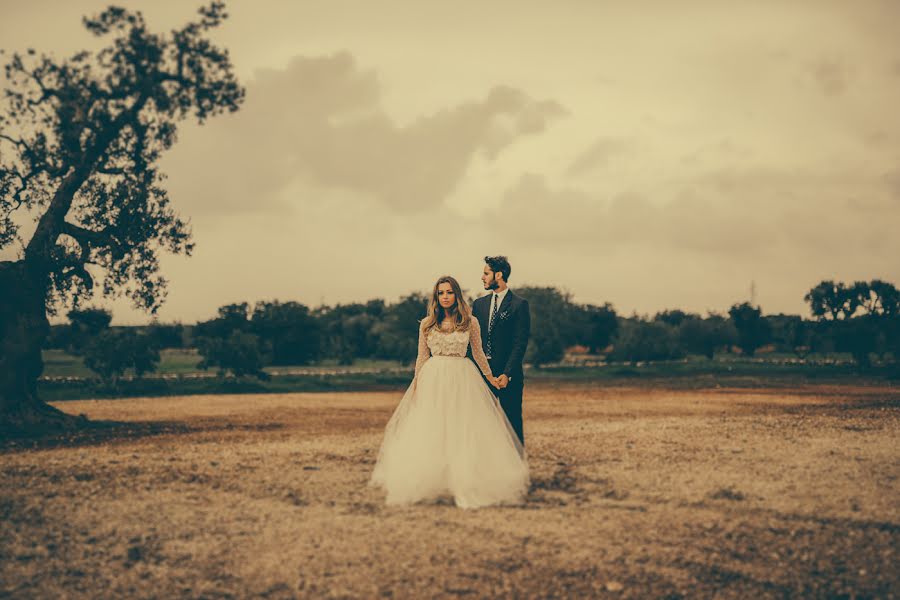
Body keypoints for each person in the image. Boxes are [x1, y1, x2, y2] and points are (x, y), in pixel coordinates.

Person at [369, 275, 529, 509]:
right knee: (433, 428)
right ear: (436, 297)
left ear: (457, 295)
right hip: (433, 378)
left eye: (449, 292)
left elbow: (479, 353)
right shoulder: (426, 323)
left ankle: (465, 481)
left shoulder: (470, 322)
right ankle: (433, 481)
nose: (445, 297)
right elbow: (422, 357)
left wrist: (491, 378)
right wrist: (415, 386)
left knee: (462, 428)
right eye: (441, 293)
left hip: (462, 378)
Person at [471, 256, 530, 445]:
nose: (482, 277)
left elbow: (519, 344)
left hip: (508, 377)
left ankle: (518, 466)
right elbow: (474, 341)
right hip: (482, 375)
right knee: (480, 424)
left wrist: (507, 373)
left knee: (512, 423)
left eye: (486, 273)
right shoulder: (478, 305)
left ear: (499, 274)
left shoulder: (519, 305)